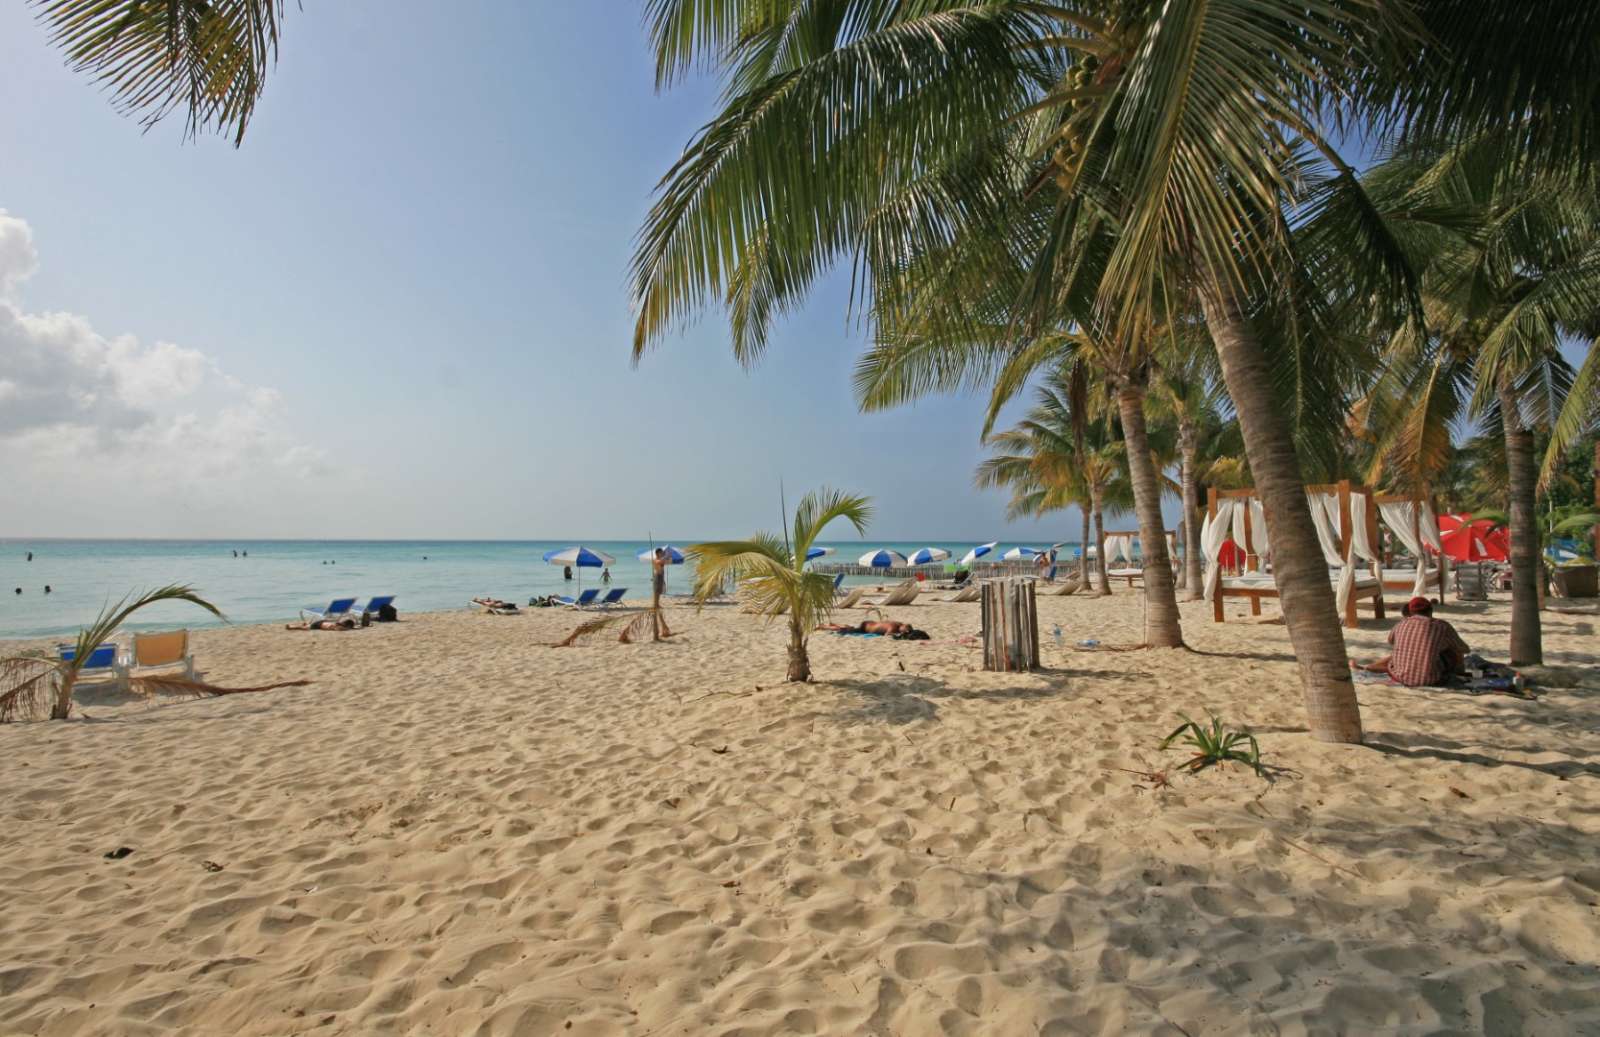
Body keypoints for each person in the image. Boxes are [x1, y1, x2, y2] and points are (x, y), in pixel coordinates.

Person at [1359, 597, 1469, 686]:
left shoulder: (1401, 624)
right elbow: (1464, 649)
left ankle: (1369, 666)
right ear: (1431, 610)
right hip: (1431, 679)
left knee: (1403, 652)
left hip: (1400, 677)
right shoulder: (1441, 626)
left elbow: (1391, 641)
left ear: (1411, 611)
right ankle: (1459, 673)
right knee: (1453, 650)